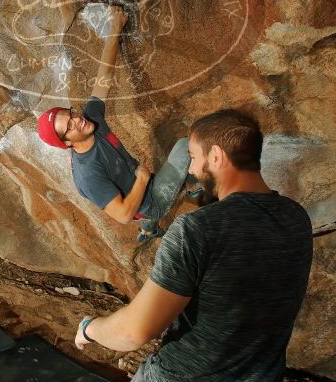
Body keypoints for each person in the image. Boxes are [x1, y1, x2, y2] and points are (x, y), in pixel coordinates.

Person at [73, 109, 313, 381]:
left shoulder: (197, 229)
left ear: (216, 156)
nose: (190, 169)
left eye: (194, 157)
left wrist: (89, 328)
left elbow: (133, 332)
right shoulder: (296, 217)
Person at [37, 5, 199, 243]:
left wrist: (115, 28)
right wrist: (143, 178)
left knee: (149, 185)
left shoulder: (91, 119)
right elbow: (123, 215)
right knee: (189, 145)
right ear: (67, 143)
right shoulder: (88, 175)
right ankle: (193, 183)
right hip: (148, 199)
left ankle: (148, 229)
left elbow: (104, 75)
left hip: (142, 188)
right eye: (68, 127)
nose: (76, 120)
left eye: (70, 114)